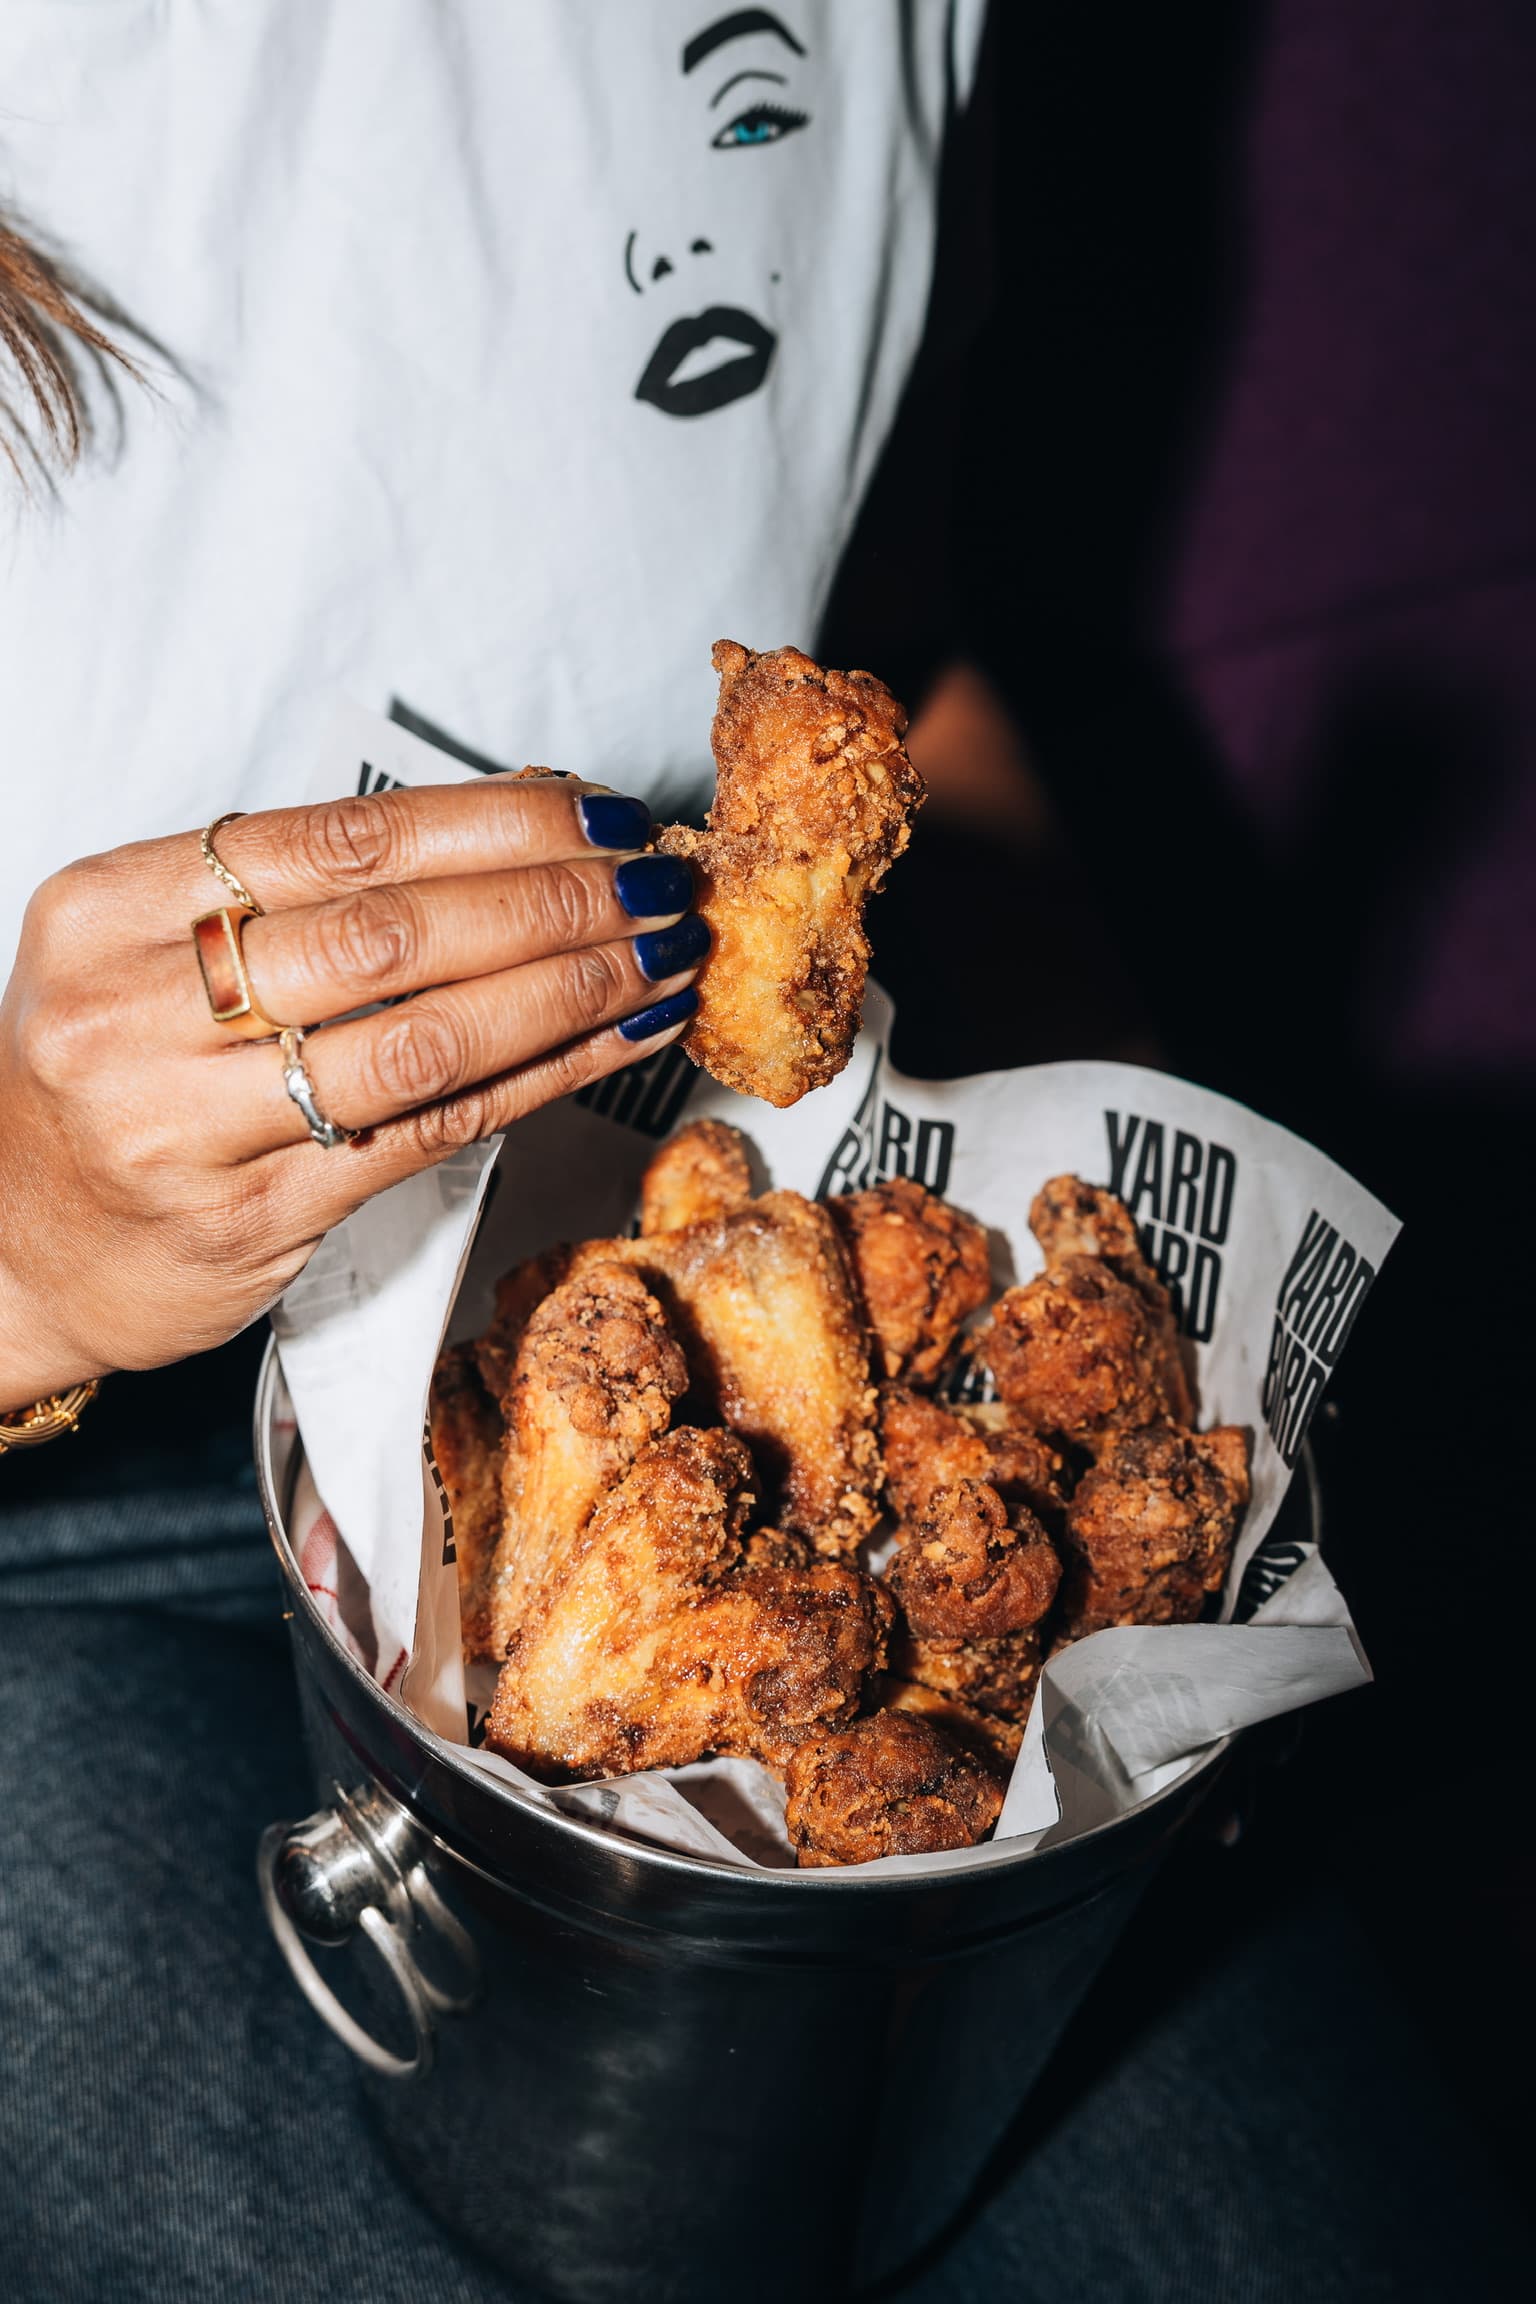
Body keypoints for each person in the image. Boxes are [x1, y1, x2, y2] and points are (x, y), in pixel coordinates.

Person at [2, 8, 1530, 2301]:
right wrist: (26, 1253)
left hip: (683, 1283)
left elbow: (894, 657)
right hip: (49, 1535)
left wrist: (1127, 1324)